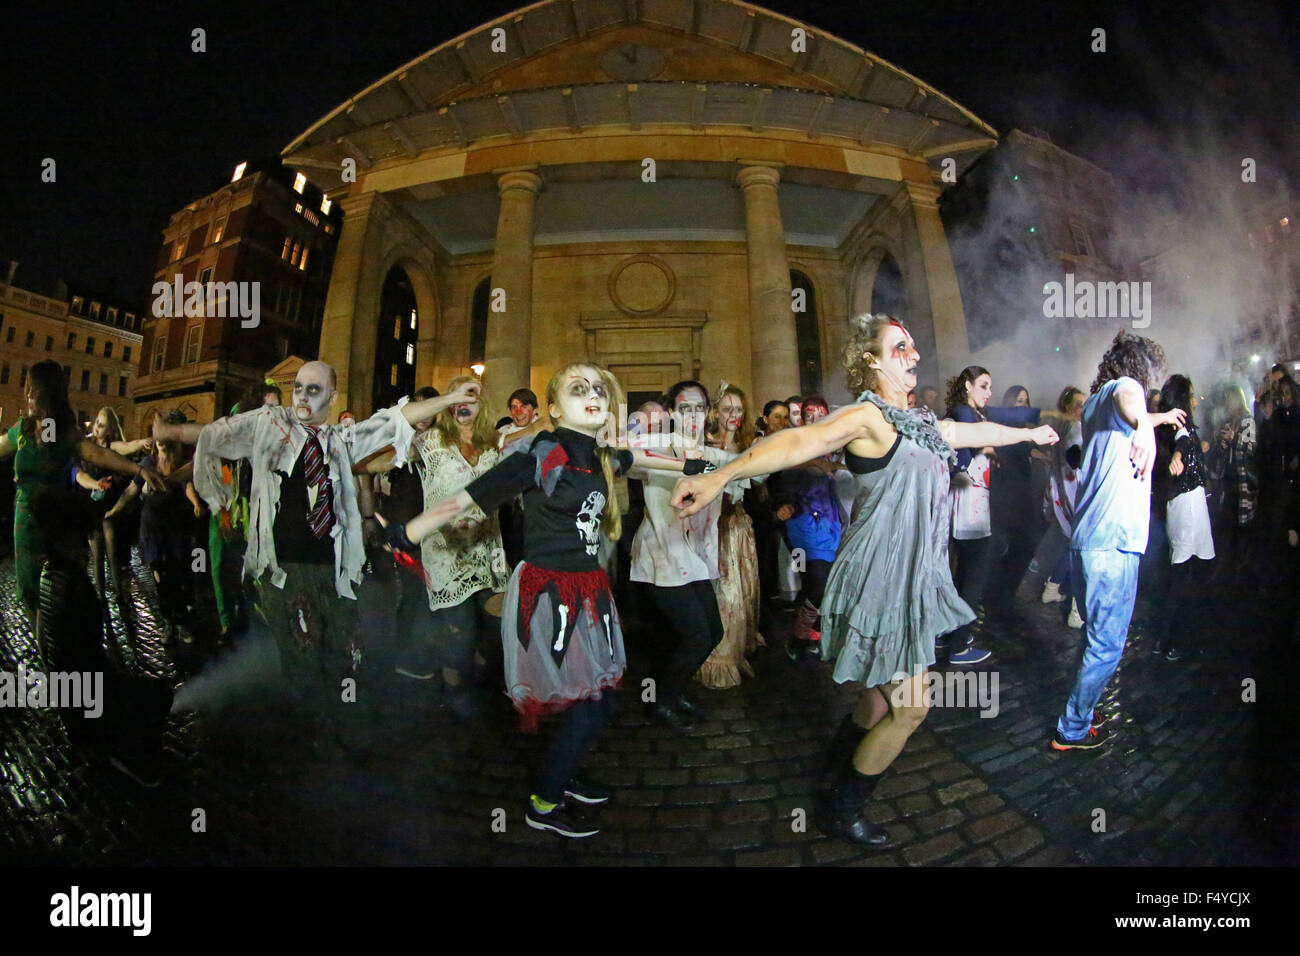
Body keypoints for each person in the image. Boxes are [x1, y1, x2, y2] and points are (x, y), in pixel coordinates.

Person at [672, 314, 1058, 845]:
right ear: (872, 361)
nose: (914, 355)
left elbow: (973, 430)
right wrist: (720, 474)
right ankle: (842, 807)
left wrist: (1029, 432)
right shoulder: (867, 417)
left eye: (913, 347)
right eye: (900, 348)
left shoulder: (921, 422)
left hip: (915, 577)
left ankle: (834, 775)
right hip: (881, 577)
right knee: (913, 707)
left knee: (878, 701)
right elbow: (797, 442)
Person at [380, 362, 700, 837]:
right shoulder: (544, 454)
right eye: (576, 388)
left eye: (597, 388)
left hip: (589, 590)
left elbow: (646, 460)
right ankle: (544, 803)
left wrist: (706, 469)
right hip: (550, 594)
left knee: (598, 698)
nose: (591, 393)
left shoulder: (597, 457)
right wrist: (409, 532)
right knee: (592, 702)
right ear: (552, 408)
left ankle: (565, 774)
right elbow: (473, 496)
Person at [157, 361, 474, 758]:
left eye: (314, 389)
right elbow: (215, 432)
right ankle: (313, 734)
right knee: (302, 658)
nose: (303, 397)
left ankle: (343, 726)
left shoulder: (342, 440)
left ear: (332, 397)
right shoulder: (271, 428)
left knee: (344, 654)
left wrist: (450, 398)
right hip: (285, 573)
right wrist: (170, 432)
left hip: (333, 572)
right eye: (300, 388)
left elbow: (396, 418)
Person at [1051, 331, 1184, 751]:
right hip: (1113, 542)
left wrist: (1158, 420)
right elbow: (1130, 402)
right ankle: (1071, 729)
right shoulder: (1126, 390)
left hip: (1089, 540)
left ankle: (1083, 710)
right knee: (1107, 646)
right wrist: (1146, 423)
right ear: (1139, 367)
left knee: (1096, 639)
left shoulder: (1093, 404)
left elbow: (1121, 419)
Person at [0, 361, 166, 619]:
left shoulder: (65, 435)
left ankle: (63, 647)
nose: (29, 395)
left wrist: (139, 470)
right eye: (27, 388)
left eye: (34, 389)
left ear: (48, 393)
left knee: (57, 596)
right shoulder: (22, 431)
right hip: (25, 527)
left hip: (56, 527)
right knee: (31, 596)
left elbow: (99, 454)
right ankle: (47, 651)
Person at [630, 380, 748, 730]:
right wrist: (640, 418)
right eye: (685, 409)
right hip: (662, 555)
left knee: (710, 632)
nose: (693, 416)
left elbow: (755, 466)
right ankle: (659, 701)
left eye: (699, 409)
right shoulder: (655, 446)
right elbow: (617, 452)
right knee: (695, 635)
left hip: (696, 558)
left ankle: (669, 689)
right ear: (670, 412)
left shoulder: (713, 455)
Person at [696, 385, 765, 688]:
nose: (734, 416)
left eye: (738, 410)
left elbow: (759, 481)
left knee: (743, 592)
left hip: (739, 529)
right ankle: (718, 657)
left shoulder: (748, 444)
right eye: (727, 409)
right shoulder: (704, 445)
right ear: (715, 412)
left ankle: (739, 646)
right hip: (713, 530)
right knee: (723, 593)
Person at [768, 394, 844, 660]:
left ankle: (814, 634)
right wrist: (783, 504)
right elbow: (780, 474)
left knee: (824, 583)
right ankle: (800, 635)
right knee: (817, 582)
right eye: (808, 414)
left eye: (819, 414)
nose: (814, 419)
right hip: (803, 523)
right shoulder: (794, 443)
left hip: (833, 522)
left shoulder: (835, 444)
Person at [1152, 375, 1214, 660]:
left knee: (1183, 573)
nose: (1193, 398)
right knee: (1186, 575)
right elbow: (1184, 441)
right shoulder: (1179, 423)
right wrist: (1180, 455)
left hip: (1181, 504)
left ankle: (1170, 637)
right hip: (1189, 505)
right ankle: (1175, 639)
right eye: (1190, 393)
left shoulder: (1166, 424)